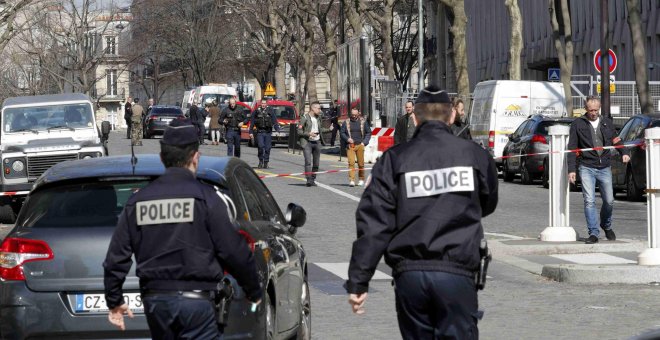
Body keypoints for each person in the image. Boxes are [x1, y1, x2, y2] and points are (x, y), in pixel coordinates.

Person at [345, 85, 499, 339]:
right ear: (451, 116)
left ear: (414, 118)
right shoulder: (474, 155)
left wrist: (359, 280)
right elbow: (488, 202)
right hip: (457, 271)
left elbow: (374, 224)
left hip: (410, 275)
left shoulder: (395, 159)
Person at [103, 119, 262, 338]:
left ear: (162, 158)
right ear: (196, 158)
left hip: (156, 302)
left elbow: (116, 257)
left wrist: (114, 300)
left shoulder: (138, 202)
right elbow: (233, 251)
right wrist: (253, 290)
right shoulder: (207, 199)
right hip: (197, 303)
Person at [568, 96, 630, 244]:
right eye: (591, 110)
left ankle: (606, 225)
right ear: (586, 109)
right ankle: (593, 233)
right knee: (589, 201)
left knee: (609, 200)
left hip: (604, 167)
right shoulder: (578, 124)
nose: (593, 113)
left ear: (599, 108)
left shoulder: (606, 122)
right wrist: (572, 170)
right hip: (586, 166)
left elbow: (616, 140)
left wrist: (625, 152)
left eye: (596, 110)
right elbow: (572, 148)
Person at [298, 101, 327, 187]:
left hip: (317, 142)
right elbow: (299, 131)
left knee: (316, 163)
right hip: (307, 142)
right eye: (318, 108)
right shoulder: (304, 117)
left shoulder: (318, 118)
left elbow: (320, 129)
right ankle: (308, 180)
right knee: (308, 162)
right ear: (313, 108)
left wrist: (329, 129)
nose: (320, 110)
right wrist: (309, 134)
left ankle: (313, 179)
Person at [340, 108, 371, 187]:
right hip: (350, 146)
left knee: (361, 164)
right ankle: (352, 180)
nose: (353, 116)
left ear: (358, 114)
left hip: (360, 145)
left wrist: (364, 142)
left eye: (355, 114)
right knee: (351, 163)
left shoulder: (363, 122)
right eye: (352, 114)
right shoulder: (346, 122)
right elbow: (342, 132)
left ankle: (361, 179)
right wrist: (347, 139)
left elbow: (368, 132)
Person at [250, 99, 280, 169]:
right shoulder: (257, 111)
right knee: (260, 146)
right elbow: (252, 122)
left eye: (264, 103)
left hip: (268, 132)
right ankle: (261, 161)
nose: (263, 105)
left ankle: (266, 162)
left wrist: (277, 129)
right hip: (260, 132)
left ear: (266, 104)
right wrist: (250, 132)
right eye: (262, 103)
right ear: (261, 104)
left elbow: (274, 121)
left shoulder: (270, 111)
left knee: (268, 148)